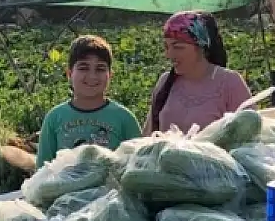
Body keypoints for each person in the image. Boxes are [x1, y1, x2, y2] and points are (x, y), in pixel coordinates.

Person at [36, 35, 142, 167]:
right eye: (83, 68)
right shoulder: (54, 117)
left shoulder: (125, 119)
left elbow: (137, 167)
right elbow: (42, 171)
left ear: (110, 75)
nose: (92, 76)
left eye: (100, 69)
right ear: (69, 74)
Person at [144, 10, 253, 135]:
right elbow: (147, 135)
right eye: (167, 47)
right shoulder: (165, 82)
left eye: (178, 47)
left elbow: (250, 136)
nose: (169, 55)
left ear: (201, 47)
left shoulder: (229, 83)